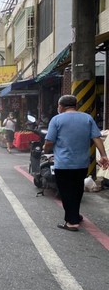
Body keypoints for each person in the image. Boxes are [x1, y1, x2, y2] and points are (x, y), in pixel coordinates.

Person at [43, 95, 109, 231]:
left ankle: (71, 222)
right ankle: (75, 215)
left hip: (63, 164)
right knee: (77, 191)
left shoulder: (56, 119)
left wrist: (46, 149)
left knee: (66, 192)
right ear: (75, 105)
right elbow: (97, 138)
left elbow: (49, 141)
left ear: (60, 106)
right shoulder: (87, 118)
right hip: (82, 164)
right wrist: (103, 155)